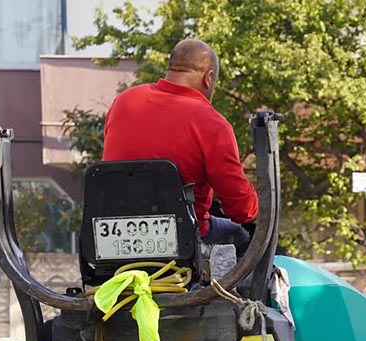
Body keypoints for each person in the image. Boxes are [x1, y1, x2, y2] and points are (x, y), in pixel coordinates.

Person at [102, 39, 258, 249]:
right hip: (181, 242)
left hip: (114, 240)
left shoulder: (124, 101)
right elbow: (242, 209)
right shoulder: (211, 123)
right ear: (209, 78)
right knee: (242, 234)